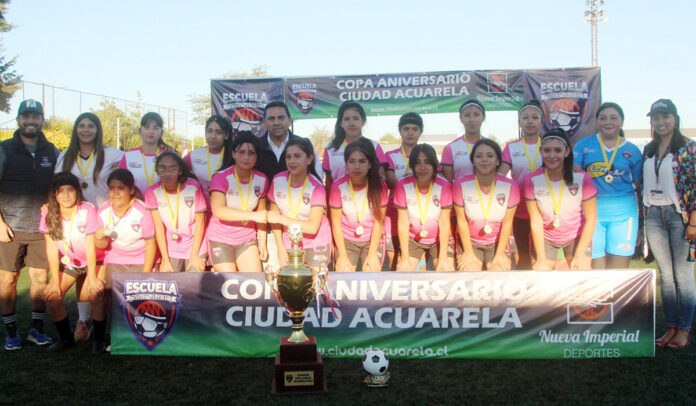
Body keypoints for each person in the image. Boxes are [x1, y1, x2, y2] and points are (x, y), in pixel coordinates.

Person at [56, 112, 123, 343]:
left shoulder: (113, 154)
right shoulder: (65, 156)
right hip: (76, 219)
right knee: (82, 267)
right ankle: (84, 319)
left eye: (90, 126)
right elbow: (58, 185)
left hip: (105, 219)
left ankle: (100, 321)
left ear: (98, 130)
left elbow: (129, 174)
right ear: (76, 130)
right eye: (81, 126)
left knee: (100, 272)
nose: (86, 130)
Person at [0, 99, 58, 350]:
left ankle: (37, 329)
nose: (30, 121)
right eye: (26, 117)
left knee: (39, 279)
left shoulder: (52, 150)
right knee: (8, 281)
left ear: (42, 119)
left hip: (40, 229)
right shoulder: (4, 149)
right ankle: (11, 332)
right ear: (19, 120)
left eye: (35, 117)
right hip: (10, 227)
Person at [642, 99, 696, 349]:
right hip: (654, 215)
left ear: (675, 118)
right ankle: (671, 327)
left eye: (665, 117)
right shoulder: (649, 149)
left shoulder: (688, 148)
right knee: (665, 276)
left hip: (679, 216)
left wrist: (693, 222)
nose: (661, 122)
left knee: (683, 276)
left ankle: (684, 329)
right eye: (656, 118)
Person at [40, 173, 106, 353]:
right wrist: (54, 280)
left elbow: (90, 245)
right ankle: (66, 339)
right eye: (60, 191)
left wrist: (92, 277)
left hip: (96, 260)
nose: (66, 195)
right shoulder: (47, 213)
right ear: (54, 194)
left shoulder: (87, 210)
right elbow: (52, 248)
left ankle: (99, 341)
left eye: (70, 190)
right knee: (52, 297)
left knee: (95, 292)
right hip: (71, 264)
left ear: (78, 191)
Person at [573, 102, 642, 269]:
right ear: (597, 122)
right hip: (592, 216)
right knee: (596, 271)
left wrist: (641, 225)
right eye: (603, 118)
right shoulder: (583, 145)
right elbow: (575, 178)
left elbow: (638, 186)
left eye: (613, 118)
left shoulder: (633, 150)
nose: (608, 122)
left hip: (624, 216)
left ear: (622, 122)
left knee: (618, 271)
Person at [523, 128, 597, 271]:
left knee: (579, 277)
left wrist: (580, 255)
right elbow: (536, 220)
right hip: (546, 237)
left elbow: (591, 218)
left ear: (567, 152)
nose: (552, 155)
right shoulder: (531, 180)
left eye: (558, 150)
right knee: (541, 276)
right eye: (547, 150)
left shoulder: (582, 178)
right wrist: (541, 259)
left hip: (576, 236)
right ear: (540, 151)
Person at [454, 140, 519, 271]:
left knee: (497, 274)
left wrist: (500, 254)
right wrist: (468, 253)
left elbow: (507, 223)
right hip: (470, 241)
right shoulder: (460, 184)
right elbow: (461, 221)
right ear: (472, 160)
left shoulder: (510, 186)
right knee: (470, 272)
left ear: (498, 161)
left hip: (497, 242)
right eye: (479, 156)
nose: (484, 160)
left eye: (490, 156)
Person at [267, 138, 332, 271]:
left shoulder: (316, 187)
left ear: (309, 159)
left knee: (314, 288)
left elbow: (312, 227)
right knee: (294, 287)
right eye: (288, 157)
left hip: (316, 243)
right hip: (289, 245)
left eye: (297, 156)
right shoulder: (278, 180)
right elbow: (274, 221)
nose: (292, 161)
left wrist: (280, 219)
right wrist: (280, 248)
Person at [208, 132, 269, 272]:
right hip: (220, 238)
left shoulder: (262, 179)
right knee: (229, 283)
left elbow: (261, 215)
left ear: (257, 156)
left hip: (246, 239)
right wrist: (252, 216)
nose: (246, 157)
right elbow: (219, 210)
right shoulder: (221, 177)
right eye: (241, 152)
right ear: (233, 154)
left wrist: (263, 243)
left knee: (254, 283)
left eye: (251, 153)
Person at [329, 138, 388, 272]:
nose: (357, 166)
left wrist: (372, 254)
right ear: (346, 164)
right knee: (344, 278)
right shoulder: (337, 186)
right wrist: (342, 256)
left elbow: (379, 222)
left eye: (362, 161)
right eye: (352, 161)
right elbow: (336, 223)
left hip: (372, 240)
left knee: (371, 277)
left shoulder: (380, 186)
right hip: (347, 240)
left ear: (370, 164)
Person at [498, 100, 544, 269]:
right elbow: (500, 177)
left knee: (541, 256)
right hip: (519, 210)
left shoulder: (548, 146)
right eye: (525, 118)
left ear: (541, 121)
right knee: (523, 256)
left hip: (544, 209)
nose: (530, 121)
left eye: (534, 117)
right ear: (519, 122)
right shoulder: (511, 147)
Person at [393, 144, 452, 271]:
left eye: (427, 162)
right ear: (412, 165)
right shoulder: (402, 185)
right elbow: (403, 222)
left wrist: (442, 258)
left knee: (445, 272)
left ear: (435, 165)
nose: (423, 167)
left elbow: (444, 222)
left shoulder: (444, 185)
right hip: (413, 239)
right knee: (404, 272)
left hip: (438, 240)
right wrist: (405, 257)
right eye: (418, 163)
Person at [145, 152, 207, 273]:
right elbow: (159, 227)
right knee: (170, 282)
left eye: (172, 169)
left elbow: (200, 223)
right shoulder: (152, 192)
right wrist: (165, 259)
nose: (167, 173)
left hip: (195, 244)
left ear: (180, 170)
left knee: (193, 279)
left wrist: (194, 255)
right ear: (157, 171)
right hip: (171, 246)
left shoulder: (193, 187)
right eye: (162, 169)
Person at [95, 169, 156, 287]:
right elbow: (102, 245)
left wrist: (145, 275)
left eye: (121, 188)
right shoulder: (103, 211)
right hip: (116, 259)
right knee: (111, 298)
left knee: (140, 298)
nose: (115, 193)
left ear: (131, 190)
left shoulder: (142, 211)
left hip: (141, 259)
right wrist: (99, 238)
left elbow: (151, 245)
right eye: (112, 188)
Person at [384, 112, 423, 269]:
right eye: (406, 128)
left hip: (420, 214)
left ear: (420, 132)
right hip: (394, 214)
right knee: (396, 265)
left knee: (420, 268)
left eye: (415, 129)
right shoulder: (390, 155)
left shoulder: (426, 155)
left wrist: (405, 181)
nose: (410, 132)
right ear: (400, 131)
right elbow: (392, 182)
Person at [323, 101, 387, 193]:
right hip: (338, 201)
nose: (351, 123)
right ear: (341, 123)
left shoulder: (374, 146)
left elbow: (381, 178)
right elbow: (329, 180)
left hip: (366, 201)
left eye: (356, 118)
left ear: (363, 121)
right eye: (347, 119)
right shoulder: (330, 148)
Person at [256, 101, 323, 183]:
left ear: (290, 121)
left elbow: (317, 174)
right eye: (271, 118)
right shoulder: (255, 146)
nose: (276, 123)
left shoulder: (303, 145)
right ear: (264, 123)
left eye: (281, 118)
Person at [183, 115, 232, 198]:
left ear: (226, 135)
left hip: (224, 207)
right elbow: (176, 169)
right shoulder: (194, 155)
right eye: (209, 131)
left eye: (218, 132)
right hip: (200, 208)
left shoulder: (233, 157)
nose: (213, 136)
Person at [119, 112, 167, 194]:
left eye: (156, 128)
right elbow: (120, 183)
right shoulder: (128, 156)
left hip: (163, 205)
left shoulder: (168, 156)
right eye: (147, 127)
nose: (151, 131)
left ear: (161, 132)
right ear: (140, 130)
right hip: (136, 204)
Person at [441, 99, 486, 182]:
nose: (471, 119)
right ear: (461, 119)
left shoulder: (492, 146)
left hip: (488, 195)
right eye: (467, 115)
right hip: (460, 194)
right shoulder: (450, 148)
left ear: (483, 117)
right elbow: (448, 184)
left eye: (476, 115)